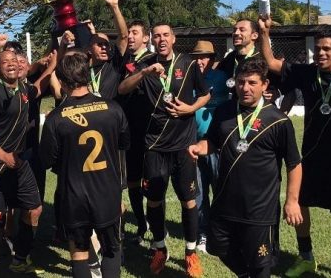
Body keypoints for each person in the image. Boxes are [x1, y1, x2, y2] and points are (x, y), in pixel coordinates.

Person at [259, 16, 331, 278]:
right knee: (301, 204)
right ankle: (307, 258)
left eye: (326, 49)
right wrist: (264, 33)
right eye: (318, 48)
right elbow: (272, 63)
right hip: (311, 154)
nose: (320, 53)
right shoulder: (308, 72)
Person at [188, 59, 302, 277]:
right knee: (217, 247)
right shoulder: (224, 112)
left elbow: (294, 164)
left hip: (259, 208)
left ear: (264, 84)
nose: (245, 88)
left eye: (252, 82)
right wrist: (199, 148)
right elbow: (212, 141)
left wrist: (292, 201)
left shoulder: (278, 121)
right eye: (241, 82)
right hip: (226, 202)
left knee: (260, 265)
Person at [118, 23, 210, 277]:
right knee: (155, 200)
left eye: (165, 35)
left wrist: (190, 109)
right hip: (154, 146)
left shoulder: (188, 63)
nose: (161, 39)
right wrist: (145, 72)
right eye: (157, 35)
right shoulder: (145, 63)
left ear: (173, 38)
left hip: (183, 144)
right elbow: (122, 89)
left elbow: (205, 95)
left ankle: (191, 253)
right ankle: (160, 248)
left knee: (188, 200)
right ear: (152, 39)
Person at [40, 52, 130, 278]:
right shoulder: (113, 108)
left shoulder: (56, 118)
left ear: (61, 81)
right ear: (87, 76)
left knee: (79, 253)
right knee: (111, 249)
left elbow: (46, 160)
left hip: (74, 194)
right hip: (107, 191)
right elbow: (124, 143)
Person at [0, 49, 56, 277]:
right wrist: (2, 155)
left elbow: (40, 84)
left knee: (35, 209)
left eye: (15, 61)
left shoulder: (24, 90)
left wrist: (58, 56)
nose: (11, 64)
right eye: (5, 61)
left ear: (22, 67)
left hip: (18, 162)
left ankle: (19, 259)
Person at [189, 40, 227, 253]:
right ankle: (203, 234)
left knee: (220, 189)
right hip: (193, 144)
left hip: (216, 145)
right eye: (196, 57)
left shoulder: (221, 78)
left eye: (205, 57)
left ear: (213, 60)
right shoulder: (187, 77)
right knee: (199, 192)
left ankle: (221, 233)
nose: (200, 61)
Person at [120, 20, 153, 245]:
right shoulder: (124, 61)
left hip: (150, 130)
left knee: (150, 181)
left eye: (135, 33)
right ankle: (141, 225)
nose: (130, 36)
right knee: (132, 181)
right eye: (129, 32)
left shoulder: (153, 61)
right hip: (128, 130)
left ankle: (155, 226)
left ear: (146, 38)